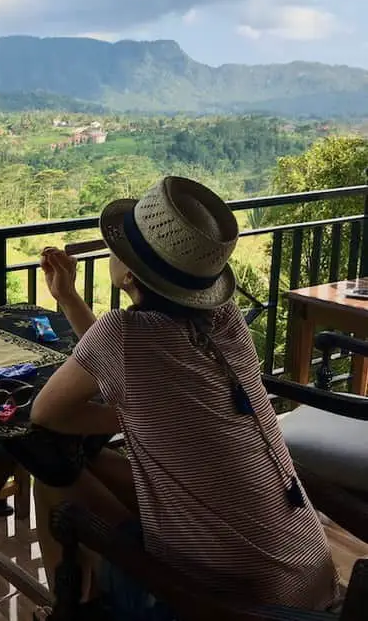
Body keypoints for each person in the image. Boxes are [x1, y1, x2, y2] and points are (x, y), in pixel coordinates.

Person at [28, 177, 340, 619]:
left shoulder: (121, 334)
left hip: (230, 607)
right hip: (310, 582)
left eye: (118, 248)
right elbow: (128, 363)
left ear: (130, 273)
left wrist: (129, 418)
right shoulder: (224, 319)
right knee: (92, 462)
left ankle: (73, 610)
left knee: (54, 471)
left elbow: (48, 414)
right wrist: (68, 299)